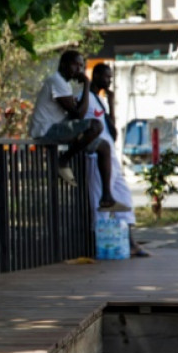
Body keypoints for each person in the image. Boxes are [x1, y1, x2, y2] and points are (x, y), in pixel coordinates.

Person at [28, 50, 129, 212]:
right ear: (63, 65)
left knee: (104, 147)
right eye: (76, 65)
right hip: (46, 131)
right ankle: (64, 160)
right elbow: (78, 114)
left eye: (82, 66)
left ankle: (107, 198)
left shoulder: (65, 85)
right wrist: (87, 84)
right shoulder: (56, 81)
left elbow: (76, 111)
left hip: (59, 128)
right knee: (95, 125)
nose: (79, 69)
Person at [81, 63, 148, 256]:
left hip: (111, 157)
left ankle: (130, 242)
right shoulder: (87, 99)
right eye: (106, 77)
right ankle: (97, 243)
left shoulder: (101, 101)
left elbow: (113, 132)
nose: (109, 81)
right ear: (96, 76)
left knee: (123, 196)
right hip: (96, 156)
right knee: (99, 201)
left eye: (110, 78)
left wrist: (110, 105)